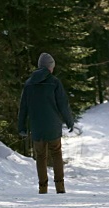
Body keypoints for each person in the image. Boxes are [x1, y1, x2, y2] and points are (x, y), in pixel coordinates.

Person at [18, 52, 75, 194]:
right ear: (50, 67)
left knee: (40, 156)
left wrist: (22, 127)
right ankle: (60, 187)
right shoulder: (54, 82)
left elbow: (23, 107)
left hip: (37, 127)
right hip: (53, 126)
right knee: (56, 154)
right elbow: (63, 104)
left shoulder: (29, 83)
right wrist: (69, 121)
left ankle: (42, 188)